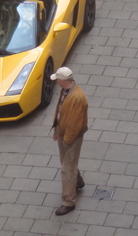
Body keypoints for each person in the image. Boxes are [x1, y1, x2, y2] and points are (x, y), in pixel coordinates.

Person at [51, 66, 88, 216]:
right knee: (67, 162)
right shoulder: (66, 91)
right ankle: (78, 182)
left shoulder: (77, 97)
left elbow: (75, 123)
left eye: (57, 80)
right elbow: (60, 111)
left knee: (67, 168)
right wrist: (56, 129)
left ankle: (68, 201)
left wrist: (67, 140)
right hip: (63, 133)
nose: (57, 83)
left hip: (71, 137)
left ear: (62, 80)